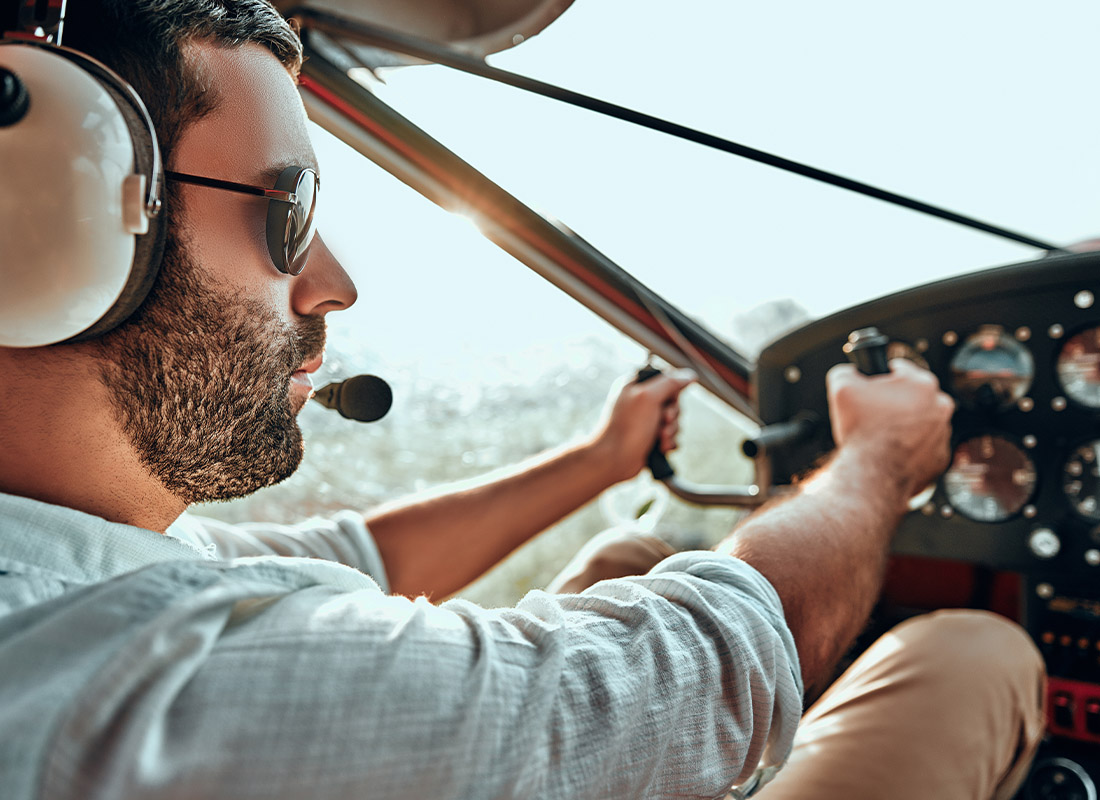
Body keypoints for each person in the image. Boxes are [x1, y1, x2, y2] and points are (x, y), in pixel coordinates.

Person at [0, 2, 1043, 798]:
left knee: (634, 560)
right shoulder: (126, 682)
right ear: (55, 223)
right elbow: (715, 670)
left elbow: (355, 557)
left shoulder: (59, 570)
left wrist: (595, 461)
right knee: (970, 652)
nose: (332, 282)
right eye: (287, 210)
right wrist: (874, 461)